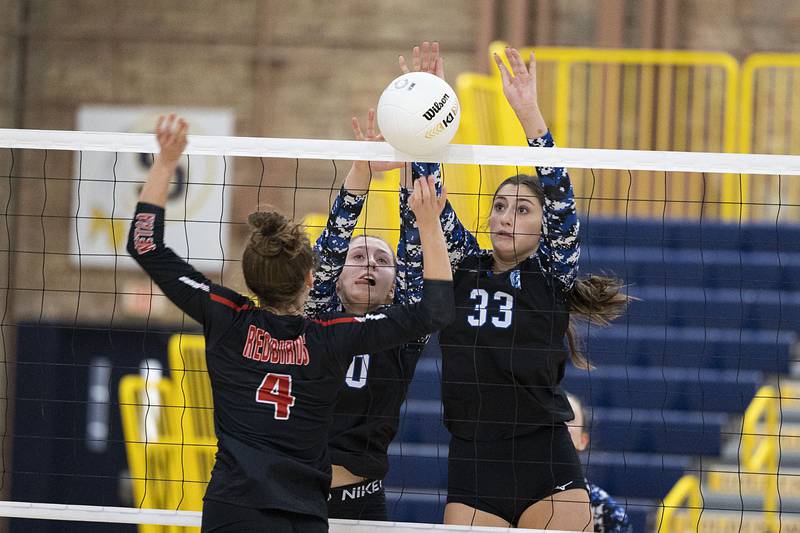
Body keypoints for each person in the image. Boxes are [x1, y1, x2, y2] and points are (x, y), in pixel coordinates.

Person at [126, 114, 454, 533]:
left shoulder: (226, 315)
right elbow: (437, 310)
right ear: (312, 279)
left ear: (249, 278)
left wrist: (167, 160)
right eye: (356, 257)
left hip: (233, 506)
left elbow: (145, 244)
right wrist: (428, 222)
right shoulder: (331, 337)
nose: (368, 264)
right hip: (301, 513)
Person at [399, 47, 629, 530]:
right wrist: (426, 109)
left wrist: (528, 113)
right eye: (500, 205)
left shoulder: (551, 273)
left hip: (544, 456)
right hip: (473, 458)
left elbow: (560, 193)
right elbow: (427, 199)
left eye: (522, 209)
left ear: (544, 227)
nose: (506, 216)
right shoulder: (463, 263)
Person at [305, 42, 446, 521]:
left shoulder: (403, 331)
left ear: (394, 282)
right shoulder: (317, 315)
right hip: (295, 494)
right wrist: (359, 175)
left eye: (380, 261)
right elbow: (330, 245)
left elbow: (417, 232)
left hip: (362, 504)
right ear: (337, 276)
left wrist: (425, 131)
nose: (368, 263)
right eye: (359, 256)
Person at [565, 393, 633, 533]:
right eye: (550, 417)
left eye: (568, 418)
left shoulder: (610, 514)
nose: (559, 425)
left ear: (583, 441)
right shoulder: (510, 499)